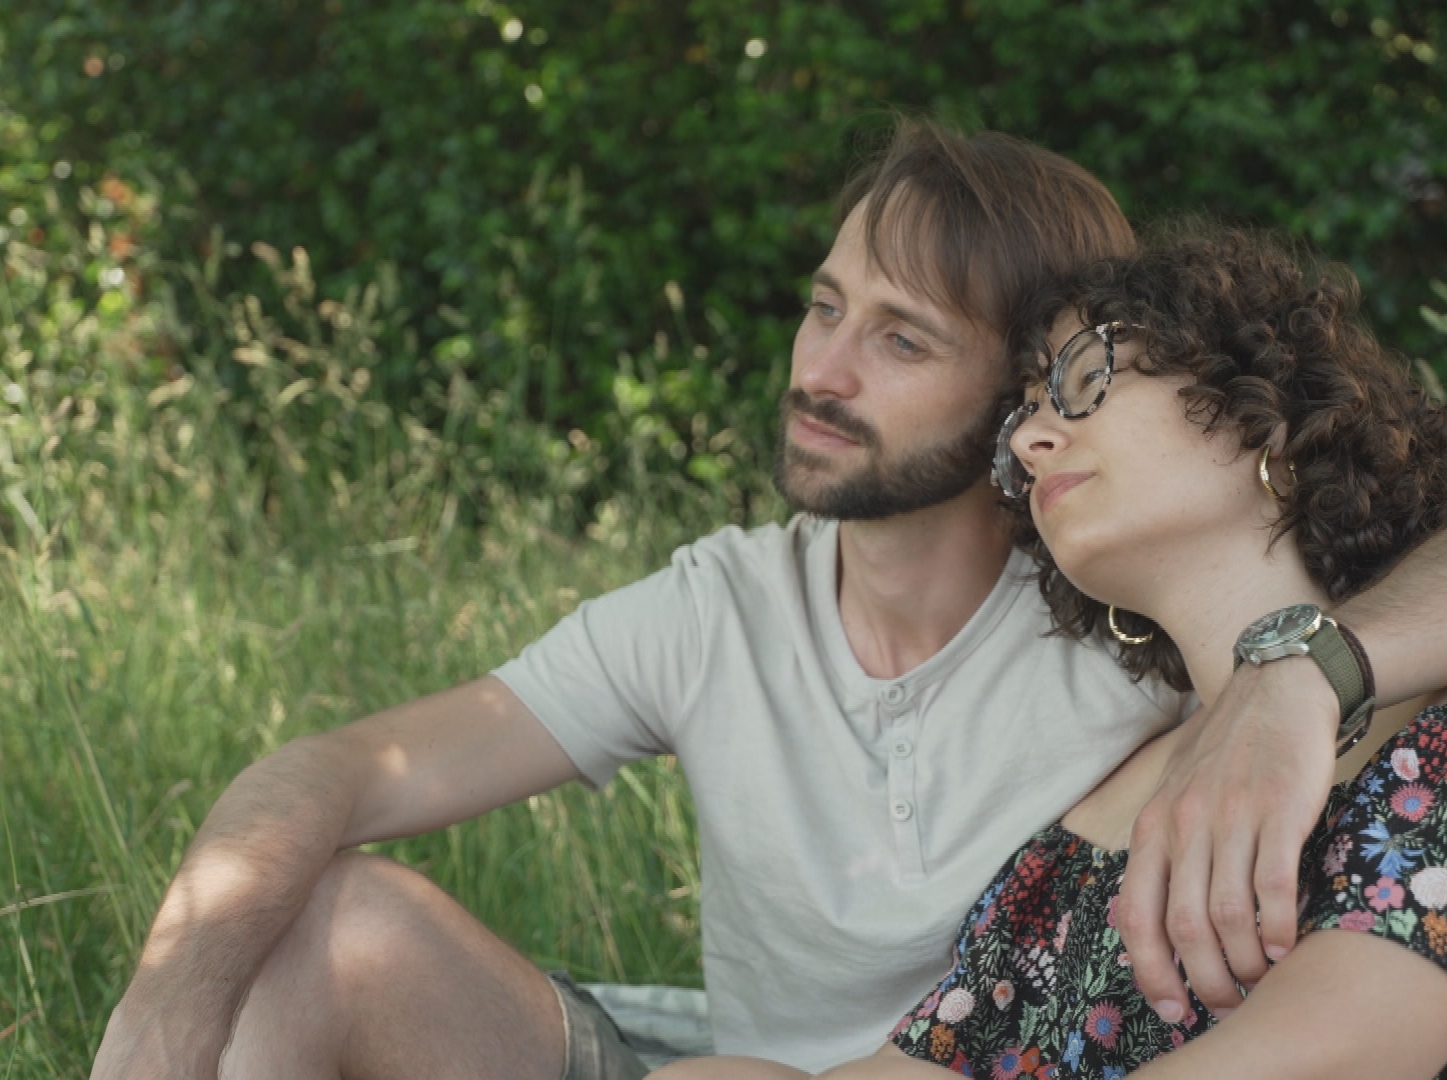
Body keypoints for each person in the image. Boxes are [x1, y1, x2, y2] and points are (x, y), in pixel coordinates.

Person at [90, 122, 1447, 1080]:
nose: (820, 370)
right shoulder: (725, 614)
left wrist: (1299, 668)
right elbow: (339, 769)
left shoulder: (1321, 700)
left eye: (900, 338)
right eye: (822, 307)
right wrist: (156, 1033)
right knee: (335, 924)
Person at [651, 225, 1447, 1079]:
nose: (1030, 441)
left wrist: (1305, 672)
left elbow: (1331, 1048)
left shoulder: (1428, 739)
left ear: (1267, 413)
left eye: (1082, 380)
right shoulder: (1078, 832)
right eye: (1024, 414)